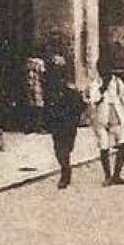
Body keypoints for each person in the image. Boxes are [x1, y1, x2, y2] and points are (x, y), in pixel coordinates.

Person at [44, 54, 86, 190]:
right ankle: (65, 171)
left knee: (67, 147)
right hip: (57, 121)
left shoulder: (70, 88)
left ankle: (65, 169)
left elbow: (80, 105)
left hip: (69, 122)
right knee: (59, 149)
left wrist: (75, 118)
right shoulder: (50, 88)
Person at [91, 56, 124, 185]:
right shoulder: (96, 83)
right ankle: (107, 176)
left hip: (116, 117)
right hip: (102, 119)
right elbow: (93, 99)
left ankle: (117, 174)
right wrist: (102, 88)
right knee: (104, 146)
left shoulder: (117, 82)